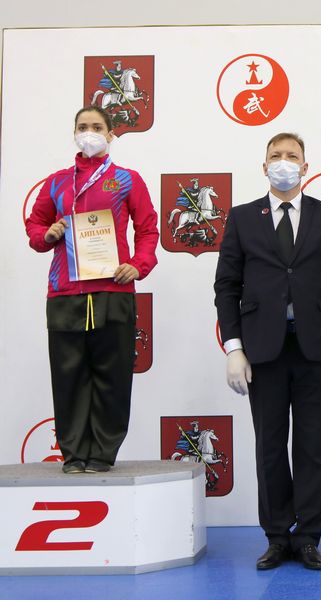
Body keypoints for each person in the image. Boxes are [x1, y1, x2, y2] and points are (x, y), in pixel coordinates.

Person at [214, 132, 321, 571]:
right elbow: (226, 286)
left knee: (313, 446)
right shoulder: (242, 218)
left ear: (305, 167)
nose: (283, 162)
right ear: (264, 167)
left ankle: (309, 536)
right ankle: (277, 536)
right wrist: (234, 348)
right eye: (275, 156)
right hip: (264, 349)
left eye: (292, 156)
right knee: (270, 446)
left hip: (316, 348)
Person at [24, 106, 159, 474]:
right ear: (74, 133)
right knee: (68, 377)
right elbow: (35, 225)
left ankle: (102, 453)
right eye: (83, 126)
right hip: (64, 291)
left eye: (97, 127)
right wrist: (47, 234)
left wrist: (139, 264)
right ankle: (73, 454)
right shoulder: (57, 182)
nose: (89, 132)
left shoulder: (127, 180)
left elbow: (148, 229)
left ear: (110, 134)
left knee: (113, 376)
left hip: (113, 290)